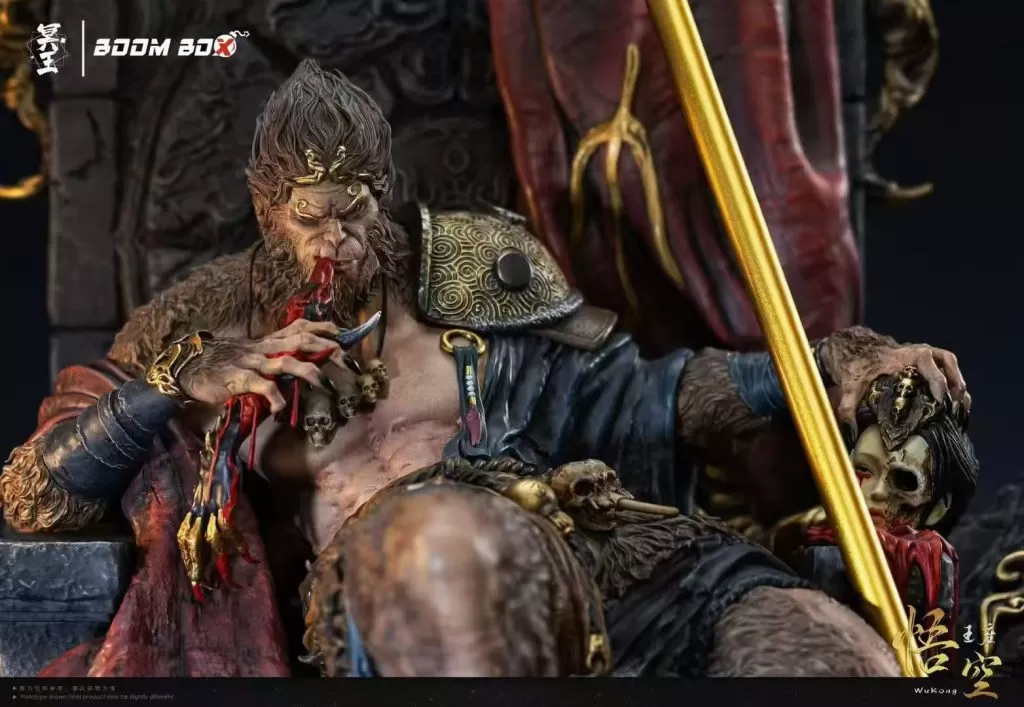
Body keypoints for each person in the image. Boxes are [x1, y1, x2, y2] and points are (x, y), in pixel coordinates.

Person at [0, 61, 970, 677]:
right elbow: (35, 495)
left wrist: (821, 365)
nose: (335, 239)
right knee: (447, 548)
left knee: (819, 646)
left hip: (603, 542)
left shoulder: (475, 272)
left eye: (354, 210)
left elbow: (644, 398)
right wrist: (173, 387)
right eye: (311, 218)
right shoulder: (202, 325)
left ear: (384, 194)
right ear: (269, 213)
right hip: (406, 576)